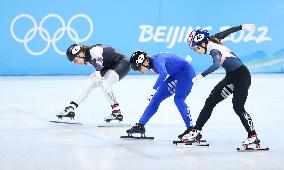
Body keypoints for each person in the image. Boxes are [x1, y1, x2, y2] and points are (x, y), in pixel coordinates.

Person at [181, 24, 262, 148]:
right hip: (232, 76)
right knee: (210, 101)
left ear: (202, 44)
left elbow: (216, 64)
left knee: (238, 107)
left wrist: (201, 75)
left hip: (242, 77)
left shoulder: (214, 50)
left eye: (195, 48)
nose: (195, 51)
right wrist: (242, 27)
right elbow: (227, 32)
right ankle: (196, 131)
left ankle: (253, 136)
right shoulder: (212, 39)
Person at [125, 50, 196, 137]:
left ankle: (191, 130)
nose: (140, 71)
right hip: (176, 75)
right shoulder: (152, 63)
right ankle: (140, 125)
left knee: (178, 100)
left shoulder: (157, 61)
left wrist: (153, 89)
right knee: (156, 98)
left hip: (186, 74)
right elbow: (172, 60)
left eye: (139, 68)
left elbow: (164, 73)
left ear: (145, 61)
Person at [56, 43, 130, 122]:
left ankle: (117, 112)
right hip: (109, 65)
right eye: (73, 62)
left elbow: (99, 59)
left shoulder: (93, 50)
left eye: (75, 60)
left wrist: (98, 71)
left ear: (80, 53)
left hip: (122, 62)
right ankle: (71, 108)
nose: (76, 63)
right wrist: (98, 72)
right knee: (89, 83)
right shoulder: (86, 59)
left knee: (104, 83)